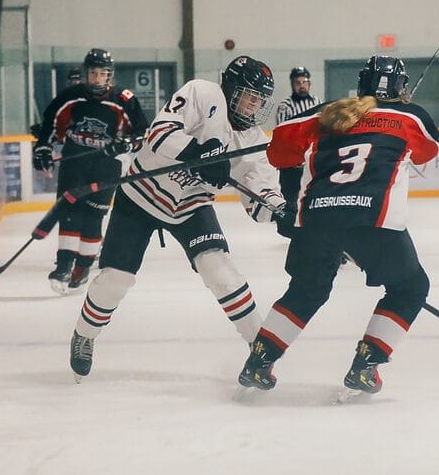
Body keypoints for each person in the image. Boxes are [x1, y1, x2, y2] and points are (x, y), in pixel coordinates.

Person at [68, 55, 290, 383]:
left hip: (191, 206)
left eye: (260, 100)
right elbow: (159, 133)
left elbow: (259, 194)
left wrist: (278, 210)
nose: (255, 105)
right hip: (141, 195)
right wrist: (198, 154)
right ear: (230, 88)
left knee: (220, 270)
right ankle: (84, 334)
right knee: (116, 280)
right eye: (249, 95)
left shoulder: (254, 141)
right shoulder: (203, 93)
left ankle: (260, 351)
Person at [236, 55, 439, 403]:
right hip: (374, 221)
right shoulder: (413, 116)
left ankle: (259, 361)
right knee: (410, 288)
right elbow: (428, 151)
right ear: (401, 88)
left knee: (306, 291)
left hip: (315, 217)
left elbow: (280, 152)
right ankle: (366, 364)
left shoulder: (326, 112)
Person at [32, 48, 149, 295]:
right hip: (75, 162)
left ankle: (82, 267)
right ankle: (63, 266)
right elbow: (49, 125)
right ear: (86, 74)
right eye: (93, 73)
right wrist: (42, 147)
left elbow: (143, 131)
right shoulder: (71, 96)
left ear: (110, 76)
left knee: (94, 217)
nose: (97, 78)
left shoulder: (123, 99)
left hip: (108, 166)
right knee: (70, 212)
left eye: (102, 74)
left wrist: (127, 143)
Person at [273, 67, 320, 238]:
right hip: (291, 166)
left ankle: (314, 234)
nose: (302, 86)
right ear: (292, 84)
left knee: (314, 199)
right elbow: (283, 136)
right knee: (291, 200)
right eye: (298, 83)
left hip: (311, 162)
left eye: (304, 82)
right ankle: (294, 232)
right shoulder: (285, 107)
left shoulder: (317, 102)